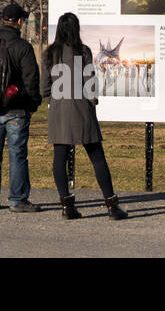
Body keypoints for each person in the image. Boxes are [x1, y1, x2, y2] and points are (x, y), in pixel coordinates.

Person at [39, 11, 129, 220]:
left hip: (59, 112)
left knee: (59, 159)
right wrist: (92, 103)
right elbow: (90, 83)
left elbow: (44, 87)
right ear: (76, 29)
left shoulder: (49, 53)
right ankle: (111, 206)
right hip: (82, 110)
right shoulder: (83, 51)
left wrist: (52, 101)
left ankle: (67, 207)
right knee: (97, 158)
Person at [0, 2, 42, 212]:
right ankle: (18, 199)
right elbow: (31, 80)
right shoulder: (23, 47)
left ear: (3, 19)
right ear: (20, 21)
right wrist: (33, 104)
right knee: (17, 153)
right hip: (17, 108)